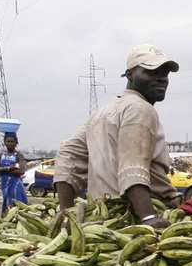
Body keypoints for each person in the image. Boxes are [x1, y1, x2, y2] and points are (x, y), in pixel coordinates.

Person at [55, 45, 180, 227]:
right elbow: (133, 166)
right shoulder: (140, 108)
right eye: (151, 72)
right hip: (138, 215)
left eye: (165, 73)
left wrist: (66, 213)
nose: (161, 79)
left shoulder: (102, 113)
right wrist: (148, 218)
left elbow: (68, 154)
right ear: (129, 75)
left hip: (103, 217)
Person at [0, 133, 28, 215]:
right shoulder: (1, 155)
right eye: (8, 141)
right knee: (7, 201)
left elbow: (22, 171)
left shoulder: (19, 155)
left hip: (16, 184)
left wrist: (3, 170)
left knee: (17, 203)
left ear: (16, 143)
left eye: (12, 141)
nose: (10, 143)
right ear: (5, 142)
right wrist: (8, 168)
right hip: (5, 184)